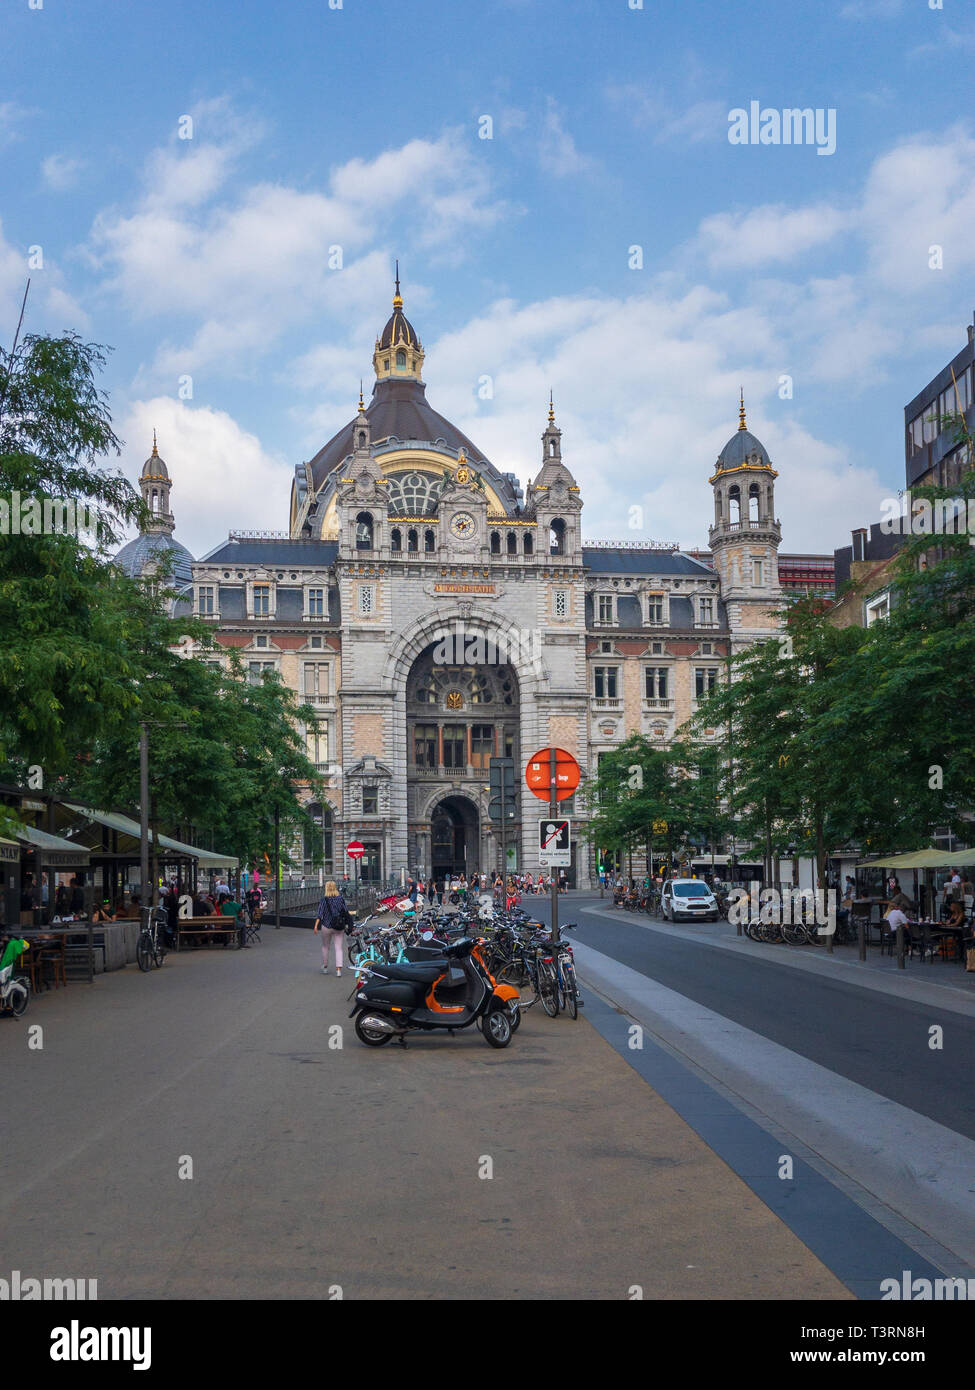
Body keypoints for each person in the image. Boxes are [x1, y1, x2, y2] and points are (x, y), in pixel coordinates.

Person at [314, 880, 351, 976]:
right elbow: (346, 911)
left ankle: (325, 967)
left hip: (326, 926)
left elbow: (320, 914)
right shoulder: (341, 899)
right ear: (335, 888)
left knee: (325, 947)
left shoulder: (323, 900)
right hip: (339, 926)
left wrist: (315, 926)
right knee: (338, 948)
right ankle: (338, 970)